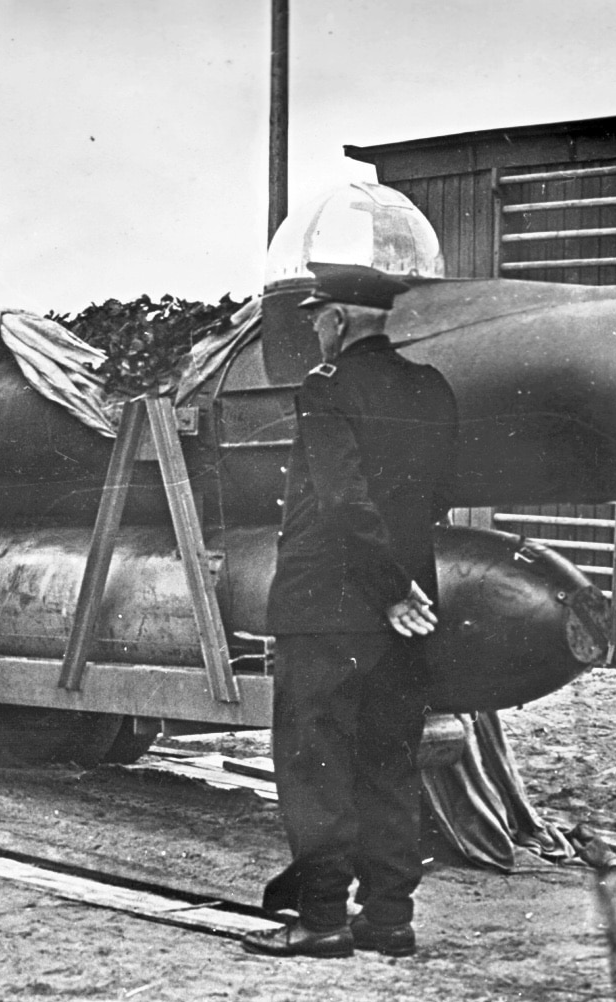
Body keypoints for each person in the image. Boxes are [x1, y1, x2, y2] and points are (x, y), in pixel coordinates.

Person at [242, 262, 459, 959]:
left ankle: (324, 918)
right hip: (409, 612)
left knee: (317, 763)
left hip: (330, 608)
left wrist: (386, 586)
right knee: (389, 760)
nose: (312, 329)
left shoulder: (325, 389)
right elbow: (435, 500)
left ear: (336, 319)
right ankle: (390, 918)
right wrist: (404, 589)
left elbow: (341, 501)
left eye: (315, 317)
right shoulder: (431, 389)